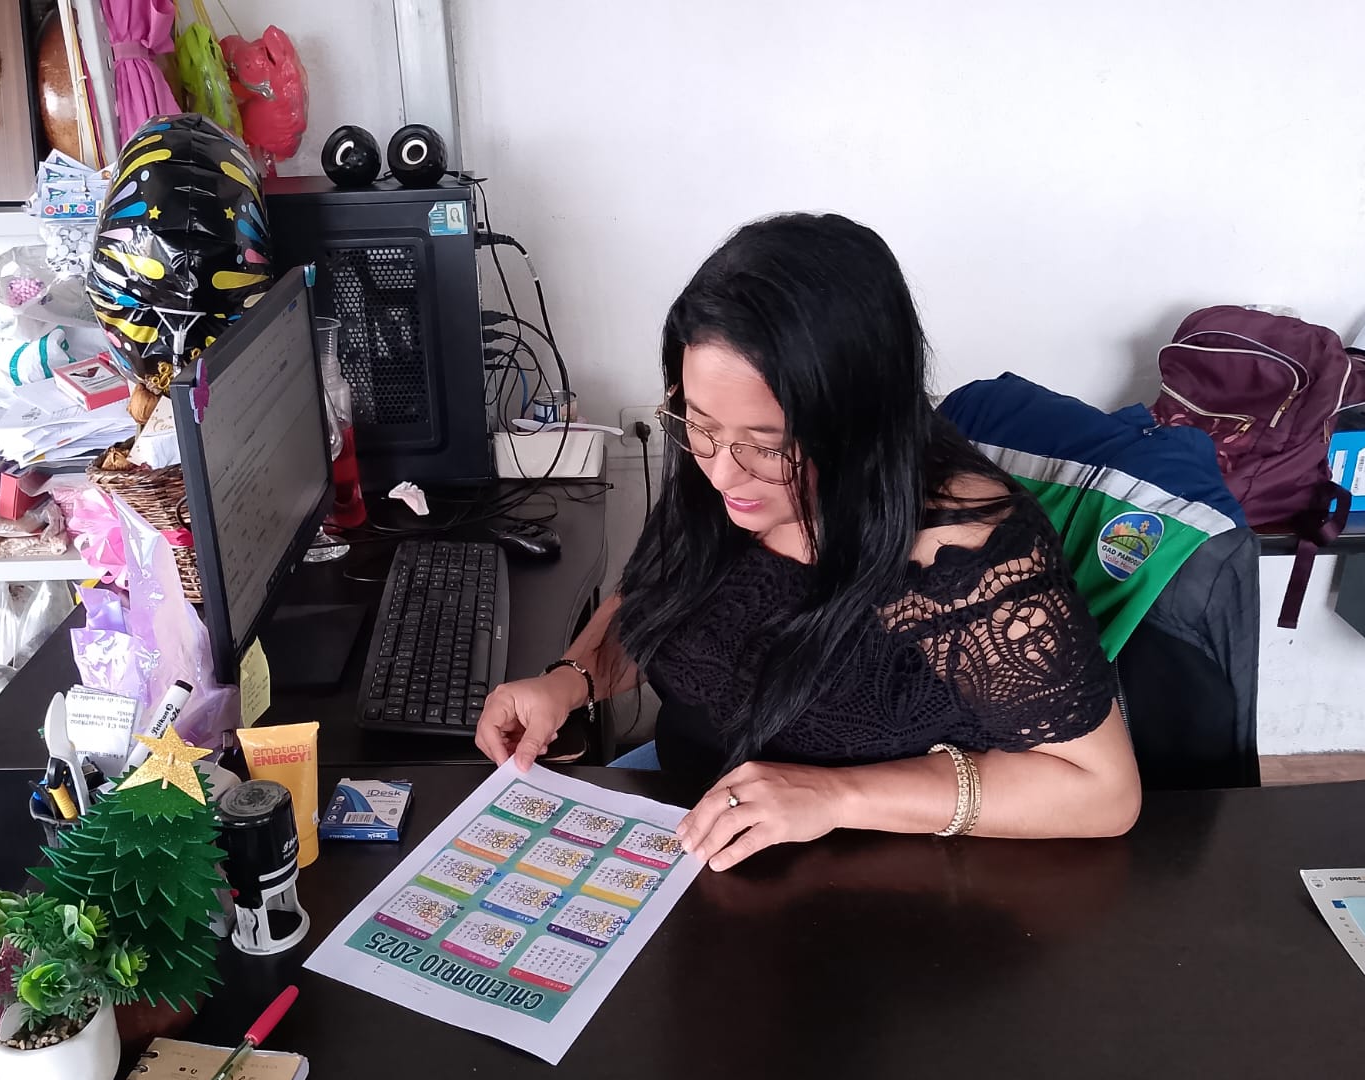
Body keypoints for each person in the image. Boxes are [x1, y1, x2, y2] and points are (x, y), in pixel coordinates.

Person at [475, 213, 1140, 870]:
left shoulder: (958, 552)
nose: (722, 473)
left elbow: (1102, 792)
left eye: (767, 446)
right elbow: (657, 601)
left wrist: (835, 795)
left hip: (870, 873)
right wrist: (570, 681)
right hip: (697, 828)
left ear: (859, 425)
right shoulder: (720, 474)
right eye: (699, 424)